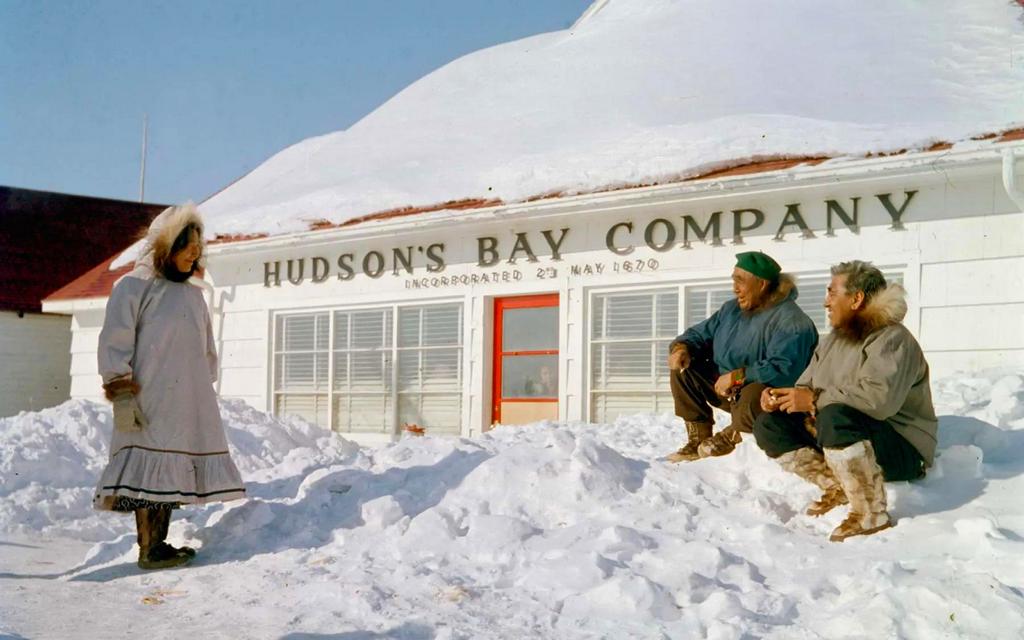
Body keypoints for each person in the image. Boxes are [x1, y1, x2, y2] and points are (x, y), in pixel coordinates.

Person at [93, 203, 246, 569]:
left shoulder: (194, 294)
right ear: (165, 245)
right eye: (187, 244)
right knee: (150, 470)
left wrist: (200, 387)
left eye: (198, 245)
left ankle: (158, 545)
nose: (195, 252)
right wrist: (122, 392)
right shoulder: (133, 287)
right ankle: (148, 549)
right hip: (147, 400)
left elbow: (207, 349)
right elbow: (114, 342)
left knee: (170, 471)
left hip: (185, 400)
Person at [752, 260, 937, 542]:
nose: (826, 302)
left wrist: (814, 400)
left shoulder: (892, 338)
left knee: (835, 416)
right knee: (769, 425)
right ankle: (836, 484)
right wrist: (781, 398)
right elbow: (806, 385)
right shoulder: (833, 340)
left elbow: (879, 399)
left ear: (856, 299)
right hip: (846, 433)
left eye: (831, 293)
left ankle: (870, 513)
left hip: (901, 448)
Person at [666, 251, 818, 462]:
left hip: (767, 401)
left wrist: (738, 376)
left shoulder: (792, 320)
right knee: (686, 368)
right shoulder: (730, 310)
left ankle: (735, 434)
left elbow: (785, 370)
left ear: (762, 284)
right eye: (734, 280)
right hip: (728, 389)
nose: (734, 288)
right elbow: (699, 334)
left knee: (759, 389)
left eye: (740, 281)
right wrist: (682, 348)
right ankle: (698, 439)